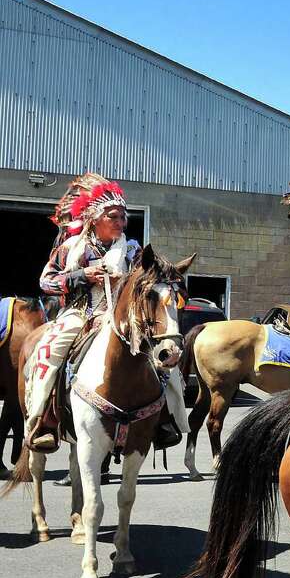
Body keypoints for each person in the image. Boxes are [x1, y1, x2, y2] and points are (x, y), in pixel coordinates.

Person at [25, 174, 188, 452]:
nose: (121, 223)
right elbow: (46, 281)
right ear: (93, 219)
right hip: (81, 313)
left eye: (123, 217)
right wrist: (82, 276)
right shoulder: (72, 248)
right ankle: (44, 421)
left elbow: (150, 278)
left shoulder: (133, 250)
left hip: (124, 317)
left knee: (164, 356)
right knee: (49, 351)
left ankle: (165, 419)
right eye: (114, 217)